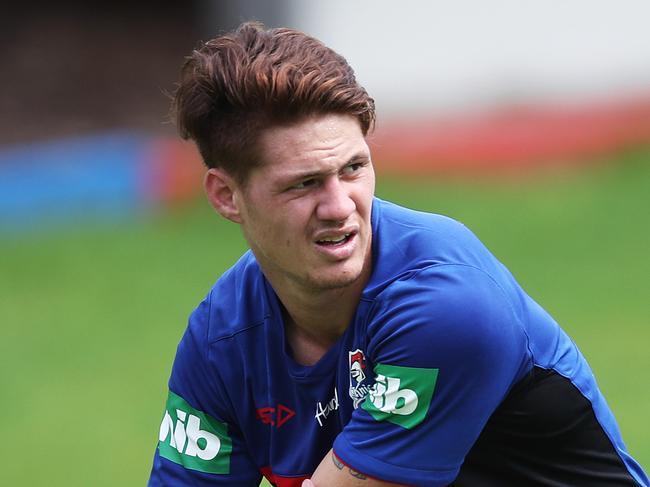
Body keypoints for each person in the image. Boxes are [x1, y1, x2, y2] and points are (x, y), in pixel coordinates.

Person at [147, 22, 649, 487]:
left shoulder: (449, 303)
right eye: (304, 184)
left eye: (353, 169)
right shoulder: (222, 340)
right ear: (226, 196)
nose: (341, 207)